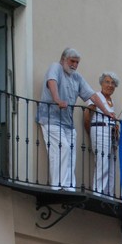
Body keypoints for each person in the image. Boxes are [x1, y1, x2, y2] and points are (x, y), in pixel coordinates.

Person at [37, 48, 113, 190]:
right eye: (72, 61)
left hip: (68, 122)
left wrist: (106, 111)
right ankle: (58, 185)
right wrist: (57, 99)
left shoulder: (76, 77)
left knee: (71, 150)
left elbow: (92, 95)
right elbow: (52, 82)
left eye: (77, 62)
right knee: (62, 148)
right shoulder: (56, 67)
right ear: (63, 59)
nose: (74, 65)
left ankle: (69, 186)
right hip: (50, 118)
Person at [83, 72, 119, 195]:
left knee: (111, 166)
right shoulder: (96, 96)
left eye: (113, 83)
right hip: (99, 130)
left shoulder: (111, 102)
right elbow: (87, 116)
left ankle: (108, 194)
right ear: (101, 83)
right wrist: (91, 132)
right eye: (107, 82)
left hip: (110, 134)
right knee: (102, 162)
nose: (110, 85)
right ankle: (98, 193)